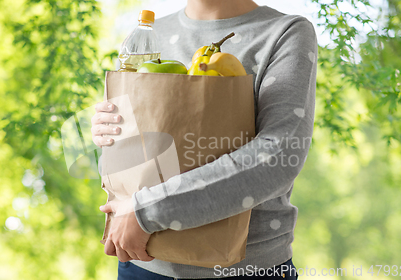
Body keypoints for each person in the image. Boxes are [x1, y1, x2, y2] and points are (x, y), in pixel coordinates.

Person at [93, 0, 317, 279]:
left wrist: (146, 211)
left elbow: (279, 157)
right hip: (140, 262)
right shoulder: (150, 33)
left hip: (246, 270)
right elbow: (134, 152)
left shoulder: (284, 32)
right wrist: (107, 131)